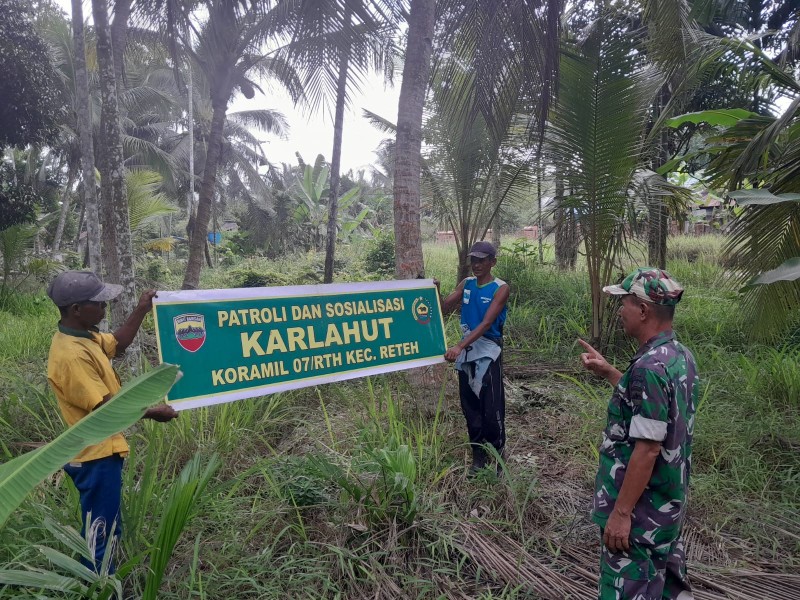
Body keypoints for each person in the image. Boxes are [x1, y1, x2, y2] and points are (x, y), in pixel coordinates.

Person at [46, 270, 178, 573]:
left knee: (107, 528)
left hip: (103, 451)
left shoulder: (84, 334)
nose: (105, 308)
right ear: (77, 309)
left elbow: (117, 343)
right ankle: (99, 588)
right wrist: (153, 411)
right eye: (99, 303)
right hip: (94, 456)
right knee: (99, 534)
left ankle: (106, 584)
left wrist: (142, 308)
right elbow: (107, 408)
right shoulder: (71, 355)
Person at [578, 267, 698, 600]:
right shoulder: (678, 356)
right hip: (666, 511)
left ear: (643, 310)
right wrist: (610, 372)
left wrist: (621, 513)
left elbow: (647, 448)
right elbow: (652, 410)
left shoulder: (649, 368)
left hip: (639, 520)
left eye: (624, 302)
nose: (620, 310)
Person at [438, 241, 510, 474]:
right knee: (470, 405)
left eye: (482, 260)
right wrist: (435, 291)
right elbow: (444, 307)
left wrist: (459, 346)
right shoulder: (466, 284)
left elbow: (487, 322)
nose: (477, 265)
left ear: (492, 262)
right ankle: (478, 455)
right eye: (473, 260)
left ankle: (498, 454)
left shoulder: (500, 288)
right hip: (468, 350)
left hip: (488, 349)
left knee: (491, 405)